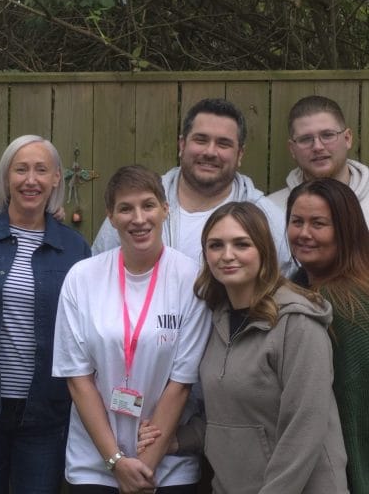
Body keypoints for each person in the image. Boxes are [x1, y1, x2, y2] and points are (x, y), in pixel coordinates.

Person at [140, 201, 349, 493]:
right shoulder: (216, 320)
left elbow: (305, 427)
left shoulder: (297, 323)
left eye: (241, 244)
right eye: (216, 245)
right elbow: (229, 416)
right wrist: (179, 440)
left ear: (264, 250)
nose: (227, 255)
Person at [0, 134, 90, 494]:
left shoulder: (74, 248)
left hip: (46, 410)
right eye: (21, 169)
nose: (31, 180)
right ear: (6, 177)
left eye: (41, 170)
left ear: (55, 178)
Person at [53, 165, 212, 493]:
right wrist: (116, 462)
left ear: (165, 209)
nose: (138, 219)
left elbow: (181, 384)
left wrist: (142, 469)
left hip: (167, 467)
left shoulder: (191, 279)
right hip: (94, 464)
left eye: (148, 205)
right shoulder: (82, 278)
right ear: (111, 217)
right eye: (125, 208)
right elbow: (78, 380)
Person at [92, 98, 291, 273]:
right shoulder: (138, 204)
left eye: (223, 144)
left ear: (239, 154)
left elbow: (283, 285)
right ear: (182, 145)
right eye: (201, 140)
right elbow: (99, 270)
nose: (210, 152)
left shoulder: (266, 217)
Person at [287, 178, 369, 493]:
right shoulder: (297, 286)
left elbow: (352, 406)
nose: (304, 233)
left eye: (318, 224)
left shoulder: (345, 303)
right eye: (297, 221)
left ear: (345, 230)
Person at [269, 95, 369, 222]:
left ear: (347, 139)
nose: (317, 147)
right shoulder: (270, 212)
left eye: (327, 135)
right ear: (292, 149)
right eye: (305, 139)